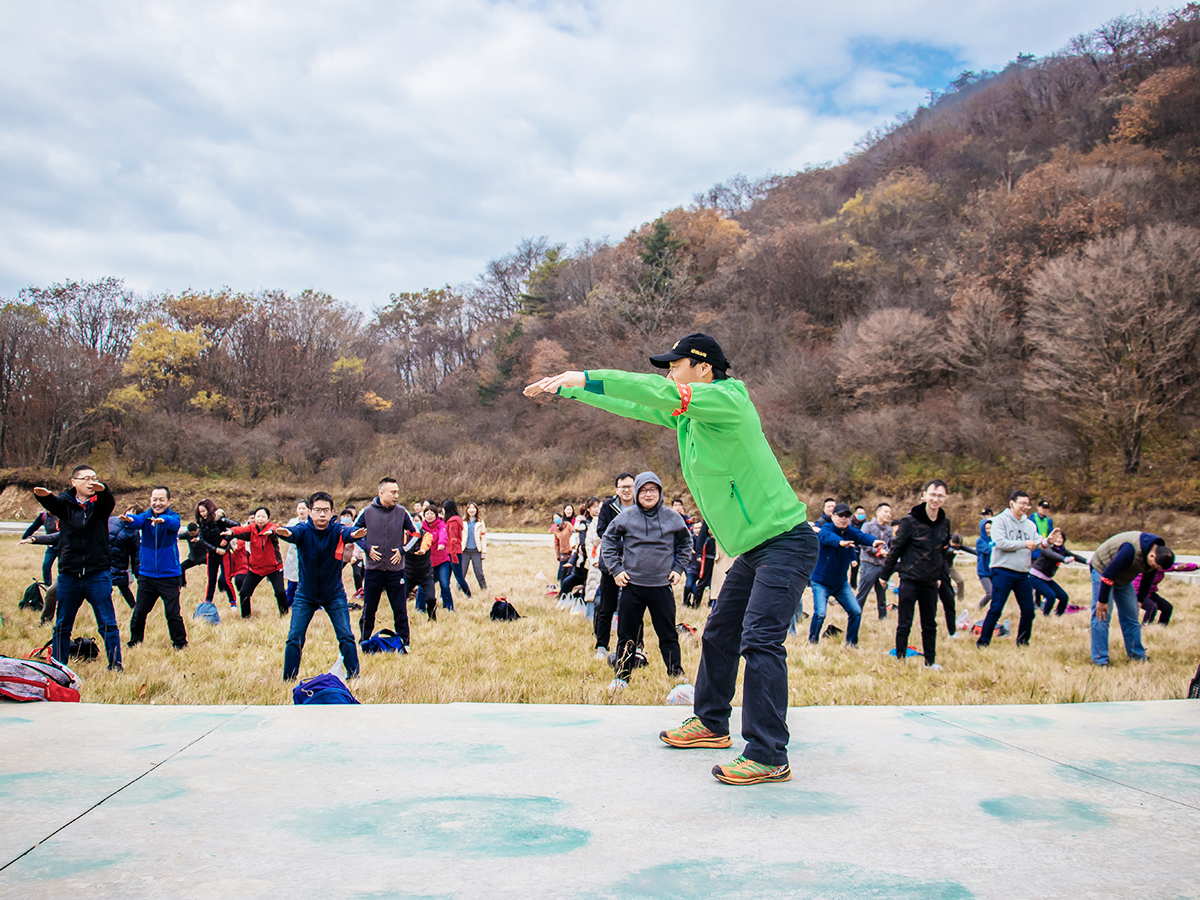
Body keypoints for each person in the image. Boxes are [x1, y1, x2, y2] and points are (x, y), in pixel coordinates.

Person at [527, 332, 818, 786]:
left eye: (675, 365)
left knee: (759, 639)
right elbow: (637, 404)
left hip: (786, 540)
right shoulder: (692, 420)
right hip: (754, 548)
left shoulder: (728, 400)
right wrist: (569, 388)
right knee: (721, 631)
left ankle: (767, 753)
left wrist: (585, 373)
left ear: (703, 368)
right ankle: (711, 723)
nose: (668, 373)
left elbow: (656, 392)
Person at [599, 471, 691, 690]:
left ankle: (676, 675)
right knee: (627, 634)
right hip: (633, 586)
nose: (648, 494)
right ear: (637, 492)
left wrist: (678, 569)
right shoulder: (627, 516)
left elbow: (687, 543)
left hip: (661, 586)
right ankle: (621, 677)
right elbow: (608, 540)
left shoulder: (672, 517)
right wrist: (616, 569)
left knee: (668, 633)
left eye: (653, 490)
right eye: (644, 490)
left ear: (660, 492)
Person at [31, 466, 122, 670]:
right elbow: (54, 504)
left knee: (107, 623)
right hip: (70, 575)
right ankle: (58, 666)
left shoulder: (99, 505)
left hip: (97, 573)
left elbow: (109, 502)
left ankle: (115, 665)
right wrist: (44, 497)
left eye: (94, 478)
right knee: (62, 624)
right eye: (86, 478)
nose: (91, 482)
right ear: (74, 482)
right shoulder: (65, 504)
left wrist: (103, 489)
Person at [275, 492, 366, 681]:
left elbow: (347, 533)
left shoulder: (336, 530)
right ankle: (288, 679)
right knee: (294, 638)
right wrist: (286, 533)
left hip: (334, 594)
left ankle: (354, 676)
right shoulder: (303, 530)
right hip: (305, 595)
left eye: (326, 510)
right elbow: (293, 534)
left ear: (332, 511)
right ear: (310, 511)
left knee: (346, 636)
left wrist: (355, 534)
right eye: (318, 510)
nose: (322, 514)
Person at [879, 479, 951, 670]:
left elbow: (942, 552)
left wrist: (939, 578)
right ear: (924, 496)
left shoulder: (945, 523)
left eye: (940, 496)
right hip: (910, 579)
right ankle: (900, 658)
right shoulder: (910, 522)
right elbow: (896, 549)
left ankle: (930, 661)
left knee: (930, 624)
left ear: (945, 498)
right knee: (905, 622)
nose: (936, 499)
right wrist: (885, 575)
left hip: (931, 582)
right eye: (932, 495)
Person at [977, 491, 1059, 649]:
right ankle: (983, 642)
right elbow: (1000, 543)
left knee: (1029, 610)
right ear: (1012, 503)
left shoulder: (1029, 524)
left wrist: (1048, 541)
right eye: (1022, 503)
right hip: (1003, 570)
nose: (1025, 507)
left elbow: (1038, 542)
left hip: (1022, 573)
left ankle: (1022, 642)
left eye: (1027, 504)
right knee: (996, 608)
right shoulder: (998, 521)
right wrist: (1024, 544)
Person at [1089, 531, 1174, 666]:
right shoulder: (1130, 550)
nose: (1153, 568)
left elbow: (1148, 578)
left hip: (1124, 577)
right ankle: (1099, 659)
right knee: (1101, 615)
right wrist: (1102, 601)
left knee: (1131, 616)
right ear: (1152, 556)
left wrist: (1140, 600)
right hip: (1103, 570)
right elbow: (1108, 575)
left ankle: (1138, 656)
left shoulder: (1156, 557)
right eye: (1154, 566)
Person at [809, 503, 884, 646]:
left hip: (840, 583)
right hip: (821, 581)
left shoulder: (851, 531)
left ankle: (851, 643)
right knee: (820, 614)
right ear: (833, 516)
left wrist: (874, 541)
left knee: (856, 611)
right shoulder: (827, 528)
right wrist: (840, 542)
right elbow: (827, 537)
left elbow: (862, 536)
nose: (844, 519)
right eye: (840, 515)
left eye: (847, 516)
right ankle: (812, 642)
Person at [123, 486, 187, 651]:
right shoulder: (145, 517)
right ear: (150, 500)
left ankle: (180, 644)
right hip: (147, 576)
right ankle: (135, 641)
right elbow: (137, 521)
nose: (157, 503)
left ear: (169, 501)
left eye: (161, 500)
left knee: (172, 613)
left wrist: (163, 521)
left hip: (169, 576)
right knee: (139, 612)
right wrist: (130, 520)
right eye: (154, 499)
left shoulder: (173, 517)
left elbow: (174, 524)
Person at [355, 477, 418, 644]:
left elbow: (416, 534)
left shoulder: (402, 512)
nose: (397, 495)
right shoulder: (367, 512)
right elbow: (352, 533)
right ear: (381, 493)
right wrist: (367, 548)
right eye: (393, 492)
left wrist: (403, 550)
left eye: (397, 492)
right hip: (373, 570)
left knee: (400, 609)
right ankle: (364, 640)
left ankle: (405, 642)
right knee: (369, 609)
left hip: (396, 571)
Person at [592, 473, 637, 659]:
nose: (627, 490)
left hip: (635, 564)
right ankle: (601, 645)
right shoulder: (608, 507)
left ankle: (635, 645)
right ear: (616, 489)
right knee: (606, 606)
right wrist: (625, 542)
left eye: (630, 486)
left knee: (634, 607)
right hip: (611, 563)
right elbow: (602, 531)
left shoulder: (641, 506)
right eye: (623, 487)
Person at [224, 508, 288, 617]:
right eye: (258, 516)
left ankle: (284, 614)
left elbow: (274, 528)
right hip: (256, 569)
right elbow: (241, 530)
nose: (260, 519)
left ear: (268, 518)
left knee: (280, 592)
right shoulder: (252, 528)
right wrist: (232, 532)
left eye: (263, 517)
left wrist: (271, 532)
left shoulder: (271, 527)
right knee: (244, 593)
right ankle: (246, 617)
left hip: (274, 568)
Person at [195, 500, 239, 608]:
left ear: (209, 510)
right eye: (200, 512)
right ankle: (208, 601)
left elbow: (236, 526)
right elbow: (202, 539)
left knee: (226, 579)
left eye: (204, 511)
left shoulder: (219, 520)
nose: (202, 514)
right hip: (212, 553)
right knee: (211, 579)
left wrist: (226, 540)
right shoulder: (201, 523)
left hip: (224, 553)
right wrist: (215, 549)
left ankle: (233, 603)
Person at [855, 502, 893, 620]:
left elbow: (890, 544)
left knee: (882, 592)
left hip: (882, 564)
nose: (888, 514)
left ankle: (883, 616)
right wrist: (876, 551)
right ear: (878, 512)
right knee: (863, 592)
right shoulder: (868, 526)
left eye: (890, 513)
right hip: (869, 563)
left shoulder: (889, 529)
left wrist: (887, 552)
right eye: (885, 512)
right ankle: (855, 614)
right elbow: (862, 542)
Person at [1032, 531, 1085, 617]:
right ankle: (1045, 616)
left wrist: (1088, 561)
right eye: (1057, 538)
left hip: (1047, 579)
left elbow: (1075, 557)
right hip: (1035, 577)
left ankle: (1058, 616)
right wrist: (1064, 559)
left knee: (1064, 597)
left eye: (1061, 538)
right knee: (1051, 596)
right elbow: (1053, 555)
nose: (1059, 540)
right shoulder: (1047, 548)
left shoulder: (1063, 551)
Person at [108, 505, 141, 609]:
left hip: (119, 562)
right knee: (104, 586)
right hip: (104, 560)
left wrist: (137, 573)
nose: (129, 515)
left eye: (134, 514)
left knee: (123, 586)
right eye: (129, 511)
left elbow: (135, 553)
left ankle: (134, 607)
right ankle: (107, 610)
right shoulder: (111, 520)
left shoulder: (134, 532)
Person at [682, 519, 717, 608]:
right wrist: (699, 554)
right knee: (704, 581)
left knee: (716, 582)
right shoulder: (707, 519)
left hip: (720, 556)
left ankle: (711, 603)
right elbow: (701, 538)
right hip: (708, 555)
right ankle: (695, 603)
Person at [442, 499, 473, 600]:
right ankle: (443, 596)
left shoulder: (453, 522)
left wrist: (454, 555)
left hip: (453, 553)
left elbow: (453, 539)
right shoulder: (450, 521)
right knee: (445, 578)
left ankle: (469, 595)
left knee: (459, 576)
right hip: (449, 552)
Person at [21, 509, 60, 585]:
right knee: (46, 566)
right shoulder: (43, 516)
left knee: (62, 568)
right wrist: (25, 537)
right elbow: (33, 527)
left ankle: (62, 585)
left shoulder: (61, 516)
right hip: (51, 546)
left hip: (62, 546)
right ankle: (47, 585)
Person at [283, 499, 309, 609]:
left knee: (308, 581)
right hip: (294, 556)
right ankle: (288, 603)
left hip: (308, 555)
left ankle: (313, 604)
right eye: (299, 508)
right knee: (292, 582)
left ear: (309, 510)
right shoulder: (292, 522)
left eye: (304, 508)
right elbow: (286, 534)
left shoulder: (312, 522)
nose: (301, 511)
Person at [460, 501, 488, 591]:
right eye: (470, 508)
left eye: (473, 508)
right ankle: (459, 589)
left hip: (476, 550)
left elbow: (483, 537)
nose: (472, 510)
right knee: (462, 572)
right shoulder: (463, 522)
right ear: (467, 510)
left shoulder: (480, 522)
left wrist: (483, 552)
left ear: (476, 510)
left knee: (479, 571)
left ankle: (484, 589)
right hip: (465, 550)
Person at [550, 506, 575, 586]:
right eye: (554, 519)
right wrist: (557, 555)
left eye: (557, 517)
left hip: (571, 551)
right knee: (563, 572)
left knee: (571, 571)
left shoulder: (568, 525)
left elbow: (574, 534)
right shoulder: (556, 531)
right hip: (562, 552)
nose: (556, 519)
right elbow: (556, 543)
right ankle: (562, 588)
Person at [975, 511, 995, 609]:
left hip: (994, 571)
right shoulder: (980, 541)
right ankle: (979, 607)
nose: (989, 530)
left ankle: (993, 610)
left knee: (997, 593)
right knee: (990, 593)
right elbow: (989, 550)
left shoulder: (995, 540)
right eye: (986, 528)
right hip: (984, 572)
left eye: (991, 528)